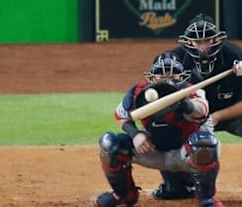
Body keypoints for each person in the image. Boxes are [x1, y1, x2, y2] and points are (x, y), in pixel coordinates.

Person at [166, 14, 242, 205]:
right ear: (187, 41)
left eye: (207, 40)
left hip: (233, 112)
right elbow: (164, 99)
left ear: (217, 39)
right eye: (197, 40)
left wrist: (216, 117)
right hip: (192, 114)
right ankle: (177, 185)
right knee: (165, 125)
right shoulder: (174, 60)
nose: (202, 46)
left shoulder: (236, 56)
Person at [89, 52, 224, 207]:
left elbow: (201, 111)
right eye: (162, 75)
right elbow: (121, 116)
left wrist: (183, 102)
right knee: (109, 144)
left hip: (186, 153)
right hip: (154, 150)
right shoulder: (138, 92)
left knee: (203, 144)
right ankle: (124, 195)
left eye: (174, 75)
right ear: (152, 78)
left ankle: (207, 200)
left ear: (183, 77)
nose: (169, 79)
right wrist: (135, 135)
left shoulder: (192, 91)